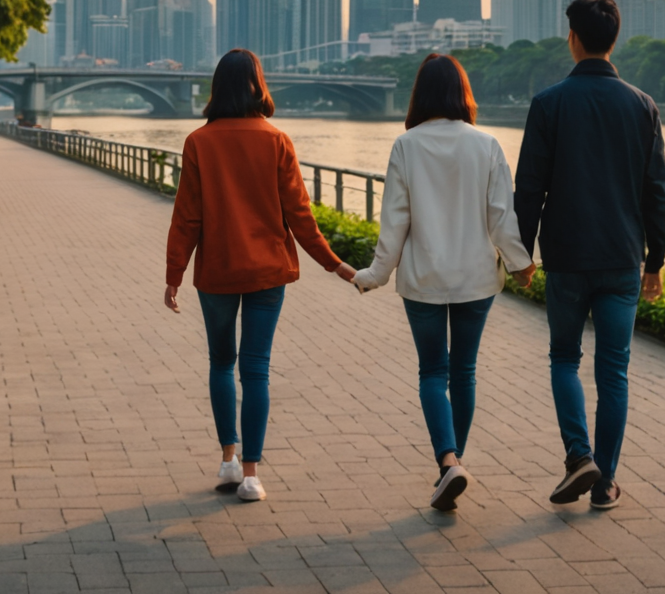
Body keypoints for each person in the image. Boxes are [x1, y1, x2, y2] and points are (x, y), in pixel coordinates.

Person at [164, 49, 358, 502]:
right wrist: (335, 264)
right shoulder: (277, 140)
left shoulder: (198, 142)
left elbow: (187, 216)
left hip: (216, 270)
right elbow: (300, 216)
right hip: (268, 271)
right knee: (256, 369)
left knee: (220, 363)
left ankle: (228, 460)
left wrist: (174, 273)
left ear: (217, 88)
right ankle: (251, 475)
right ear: (258, 85)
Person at [353, 55, 535, 512]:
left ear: (420, 95)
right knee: (464, 371)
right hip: (476, 278)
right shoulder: (486, 144)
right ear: (463, 93)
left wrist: (375, 275)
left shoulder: (406, 146)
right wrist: (521, 264)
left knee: (433, 372)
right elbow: (501, 216)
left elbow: (394, 221)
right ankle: (453, 465)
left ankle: (449, 463)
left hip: (424, 279)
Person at [514, 0, 665, 511]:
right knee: (614, 370)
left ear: (573, 39)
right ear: (614, 40)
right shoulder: (643, 105)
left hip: (566, 257)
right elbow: (656, 193)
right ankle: (605, 484)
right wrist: (655, 261)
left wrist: (522, 255)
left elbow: (528, 189)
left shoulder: (548, 103)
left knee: (564, 357)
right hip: (622, 257)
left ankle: (579, 455)